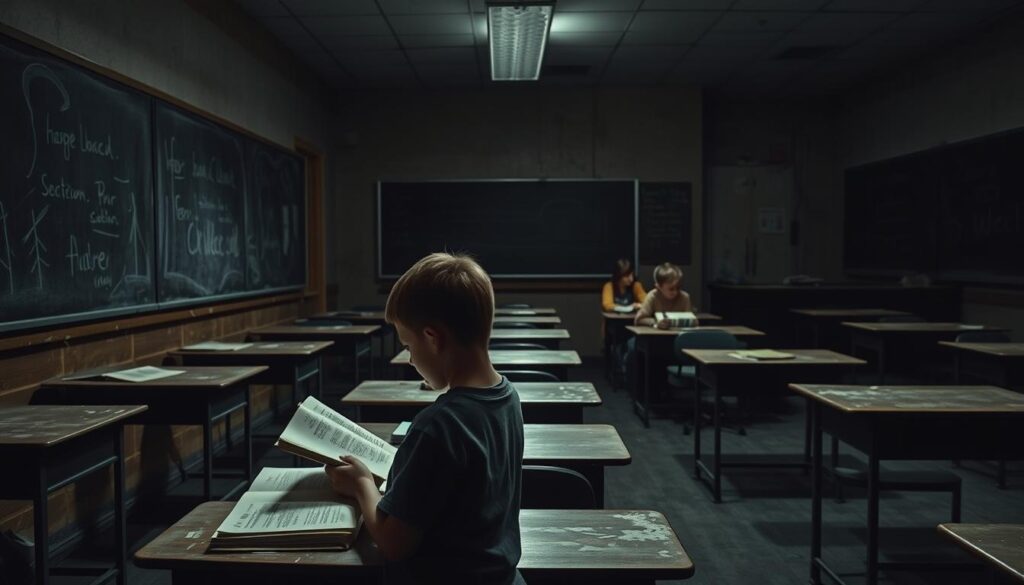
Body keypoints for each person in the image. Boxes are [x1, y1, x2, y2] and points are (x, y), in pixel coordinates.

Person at [324, 253, 525, 585]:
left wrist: (362, 484)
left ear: (433, 338)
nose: (409, 358)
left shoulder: (439, 425)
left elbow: (392, 543)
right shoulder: (509, 396)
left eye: (407, 345)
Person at [635, 262, 693, 328]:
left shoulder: (684, 297)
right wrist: (656, 322)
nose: (675, 292)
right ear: (658, 287)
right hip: (656, 336)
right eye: (671, 289)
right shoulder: (653, 296)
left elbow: (692, 321)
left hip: (677, 335)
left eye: (678, 288)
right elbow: (639, 319)